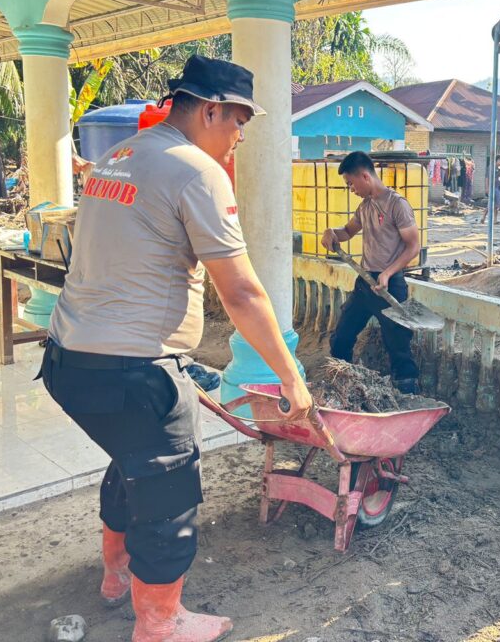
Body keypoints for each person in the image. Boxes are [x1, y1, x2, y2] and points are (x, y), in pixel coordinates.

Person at [42, 55, 313, 642]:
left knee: (132, 459)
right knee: (169, 489)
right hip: (133, 369)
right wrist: (291, 378)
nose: (241, 135)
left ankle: (117, 575)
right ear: (210, 108)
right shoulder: (196, 171)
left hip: (67, 359)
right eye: (239, 120)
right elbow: (240, 290)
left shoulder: (121, 155)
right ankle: (161, 622)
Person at [322, 151, 421, 393]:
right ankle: (342, 382)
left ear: (365, 176)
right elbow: (346, 231)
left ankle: (407, 392)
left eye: (350, 183)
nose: (351, 189)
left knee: (398, 343)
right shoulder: (365, 206)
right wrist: (331, 233)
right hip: (365, 283)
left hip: (391, 284)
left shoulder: (397, 205)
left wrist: (388, 273)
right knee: (342, 335)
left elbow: (413, 246)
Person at [480, 153, 500, 225]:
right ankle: (484, 218)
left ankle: (494, 220)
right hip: (492, 188)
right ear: (497, 160)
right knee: (491, 204)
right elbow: (487, 178)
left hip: (498, 187)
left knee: (496, 205)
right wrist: (487, 188)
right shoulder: (491, 167)